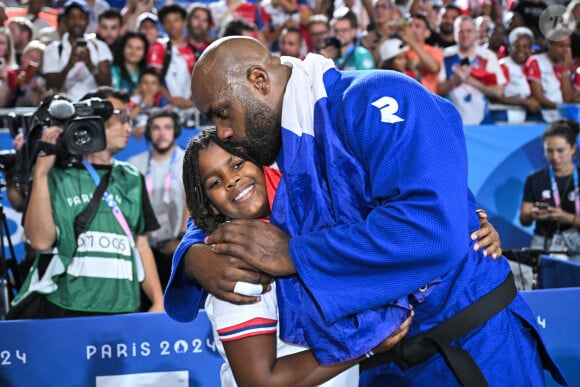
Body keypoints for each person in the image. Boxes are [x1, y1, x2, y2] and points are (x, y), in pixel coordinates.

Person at [164, 36, 565, 386]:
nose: (224, 132)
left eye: (221, 112)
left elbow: (433, 230)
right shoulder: (273, 144)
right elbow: (219, 201)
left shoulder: (375, 96)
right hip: (379, 360)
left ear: (258, 81)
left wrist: (294, 254)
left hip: (472, 345)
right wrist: (194, 255)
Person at [182, 128, 413, 386]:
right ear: (211, 206)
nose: (231, 180)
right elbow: (260, 381)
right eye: (215, 182)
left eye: (237, 164)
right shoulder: (234, 266)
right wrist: (365, 344)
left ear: (261, 165)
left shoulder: (308, 234)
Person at [9, 87, 164, 319]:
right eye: (120, 117)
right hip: (66, 305)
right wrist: (41, 173)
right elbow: (41, 241)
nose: (127, 127)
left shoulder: (132, 177)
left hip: (124, 305)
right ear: (92, 119)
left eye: (129, 119)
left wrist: (158, 301)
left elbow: (140, 243)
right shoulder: (56, 174)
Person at [127, 110, 188, 295]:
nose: (162, 134)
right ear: (148, 132)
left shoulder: (187, 161)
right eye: (156, 128)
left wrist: (180, 239)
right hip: (143, 248)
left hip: (179, 248)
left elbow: (194, 203)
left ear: (175, 131)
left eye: (167, 128)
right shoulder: (133, 164)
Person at [520, 119, 580, 264]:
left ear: (573, 149)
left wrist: (566, 217)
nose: (555, 157)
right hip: (544, 240)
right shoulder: (535, 179)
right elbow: (524, 219)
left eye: (560, 151)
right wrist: (532, 213)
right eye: (549, 151)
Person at [437, 15, 506, 125]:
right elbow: (438, 90)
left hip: (482, 121)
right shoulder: (445, 56)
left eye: (469, 31)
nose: (465, 35)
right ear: (455, 34)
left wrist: (470, 80)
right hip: (451, 122)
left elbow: (498, 91)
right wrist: (454, 80)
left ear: (476, 33)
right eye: (461, 31)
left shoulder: (488, 56)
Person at [43, 0, 112, 101]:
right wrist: (69, 65)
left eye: (81, 17)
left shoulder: (100, 47)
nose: (76, 22)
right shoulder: (53, 49)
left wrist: (90, 64)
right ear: (65, 20)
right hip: (63, 107)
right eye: (72, 17)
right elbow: (50, 86)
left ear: (88, 20)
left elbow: (107, 84)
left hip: (94, 106)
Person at [494, 26, 541, 123]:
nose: (521, 50)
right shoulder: (503, 66)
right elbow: (496, 97)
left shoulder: (531, 66)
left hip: (525, 115)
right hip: (505, 115)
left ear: (531, 49)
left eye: (525, 46)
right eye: (517, 45)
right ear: (510, 47)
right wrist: (525, 102)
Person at [111, 31, 148, 96]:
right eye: (129, 47)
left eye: (138, 48)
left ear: (145, 53)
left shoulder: (145, 73)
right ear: (122, 49)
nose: (133, 51)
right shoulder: (114, 71)